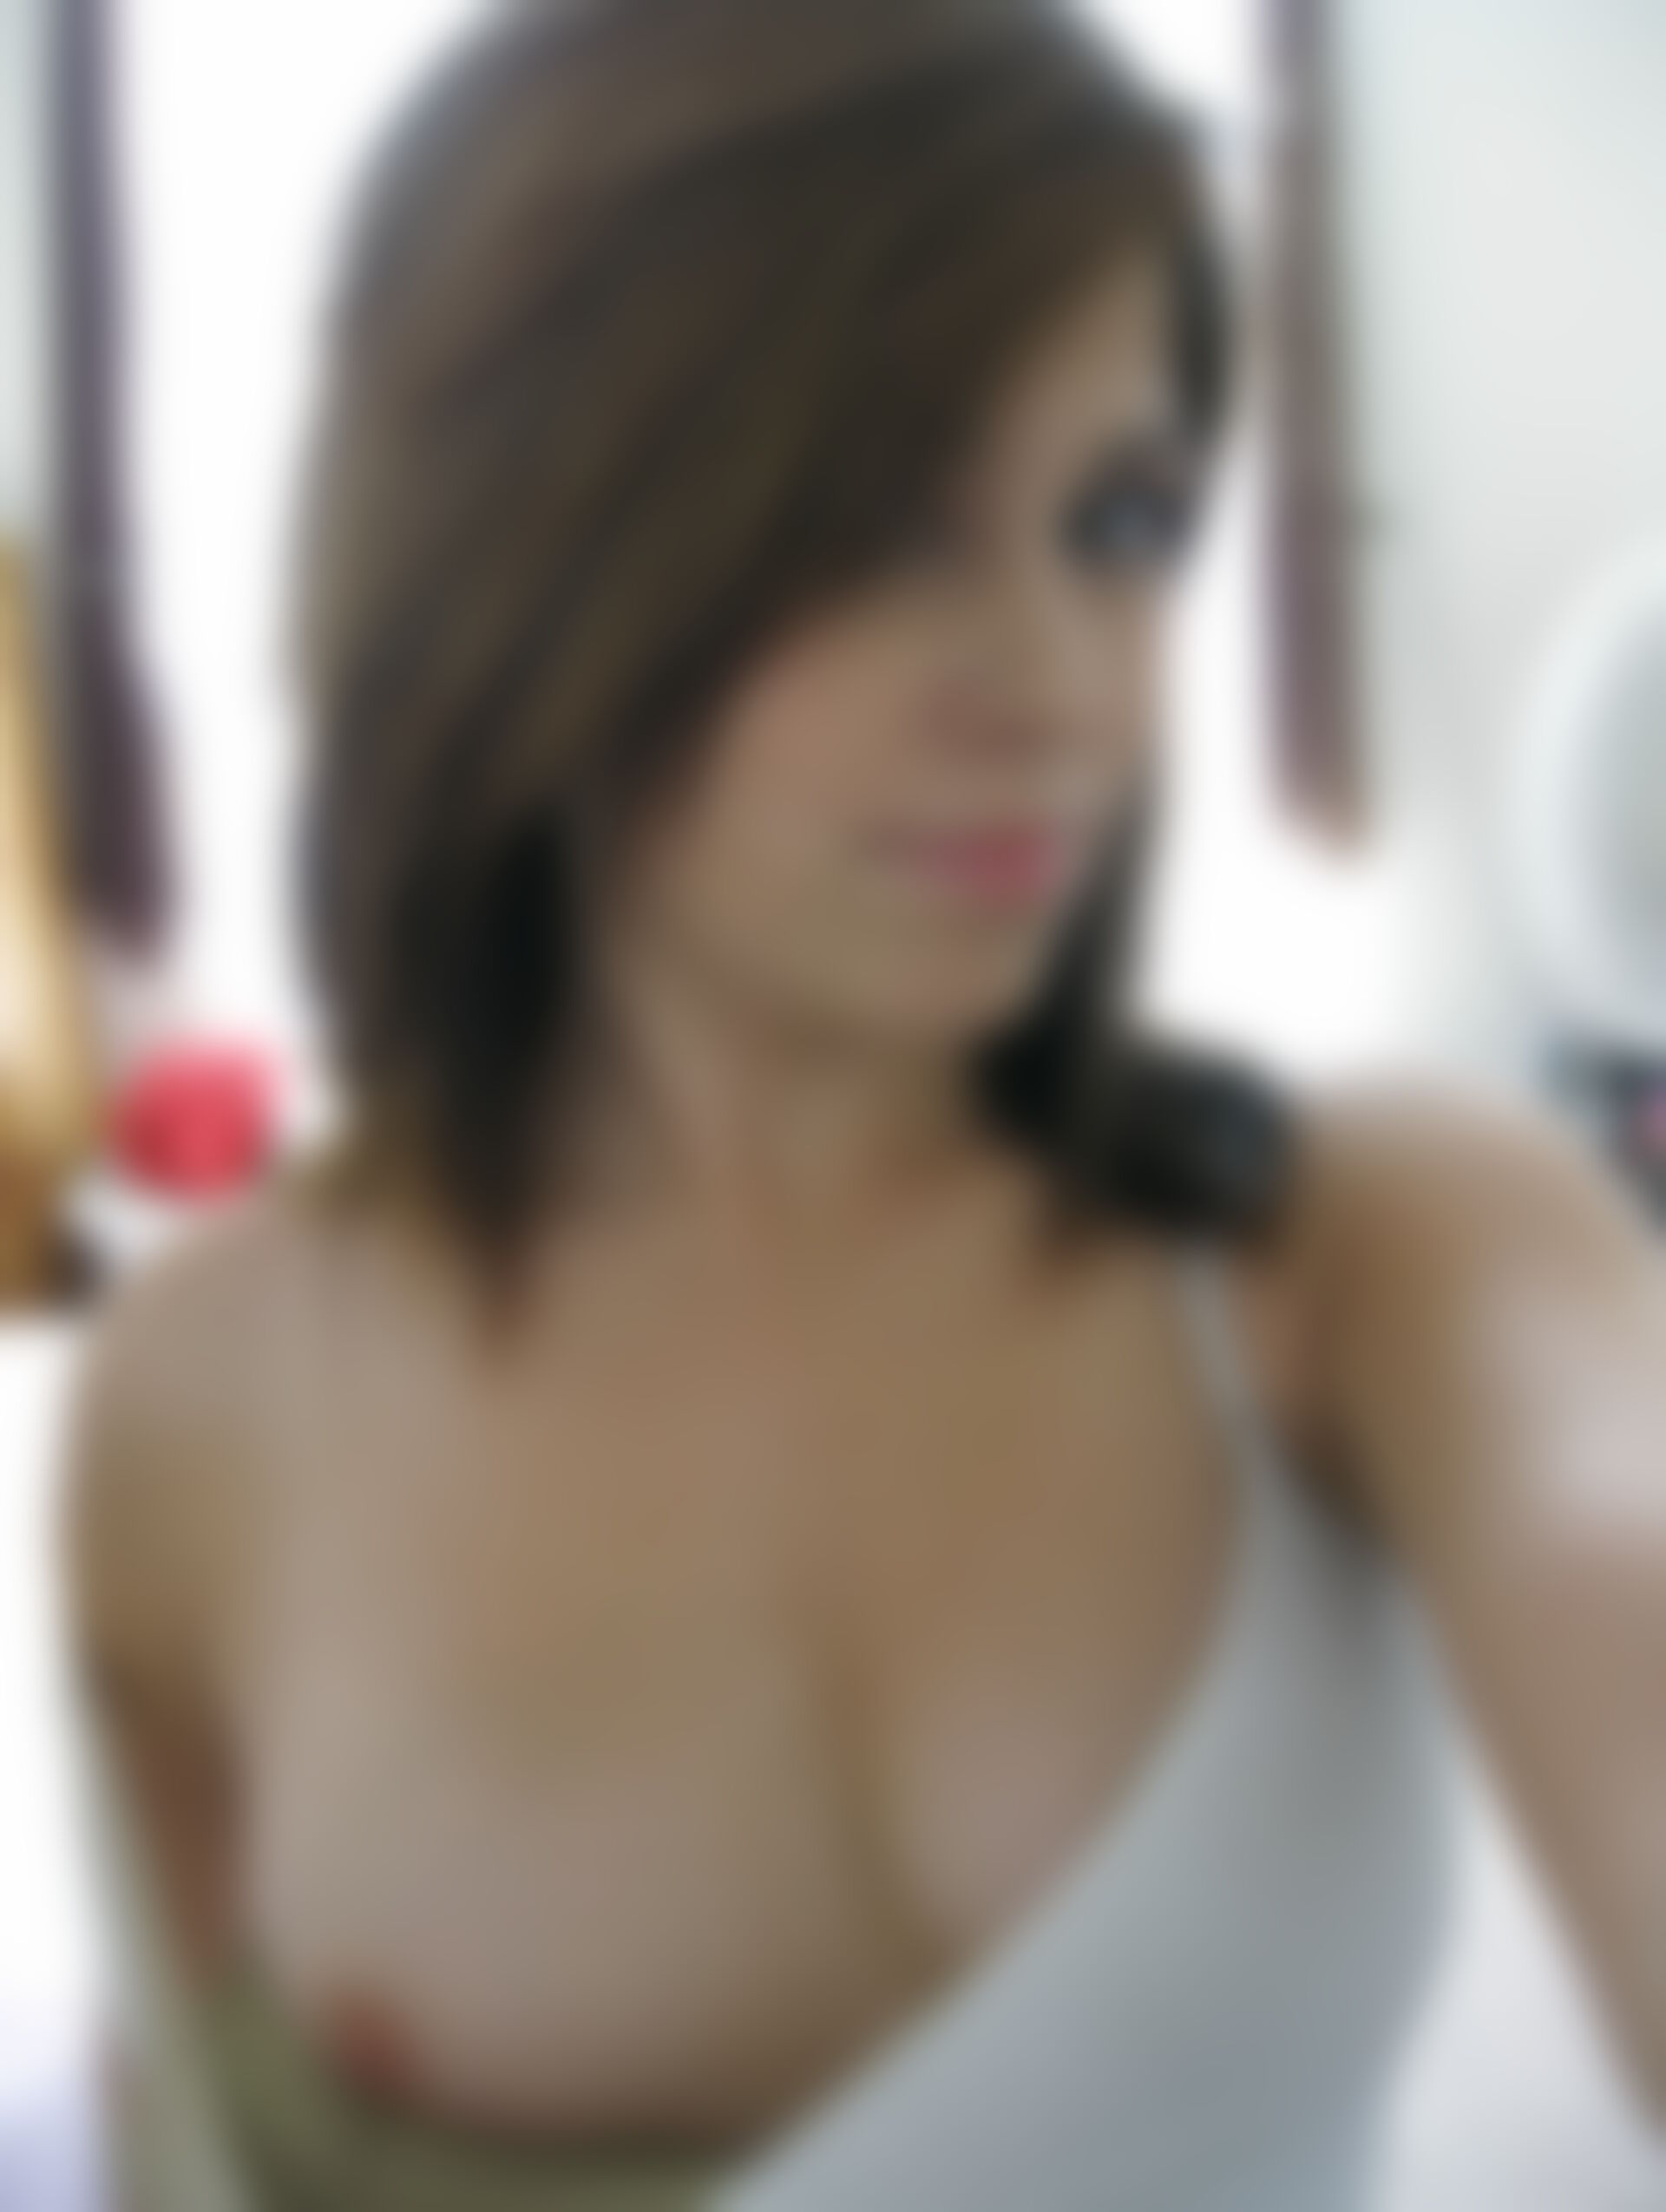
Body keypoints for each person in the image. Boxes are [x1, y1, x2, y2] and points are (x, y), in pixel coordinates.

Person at [60, 2, 1666, 2207]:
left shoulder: (1374, 1239)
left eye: (1120, 519)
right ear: (520, 553)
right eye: (882, 523)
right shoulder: (195, 1396)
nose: (1063, 689)